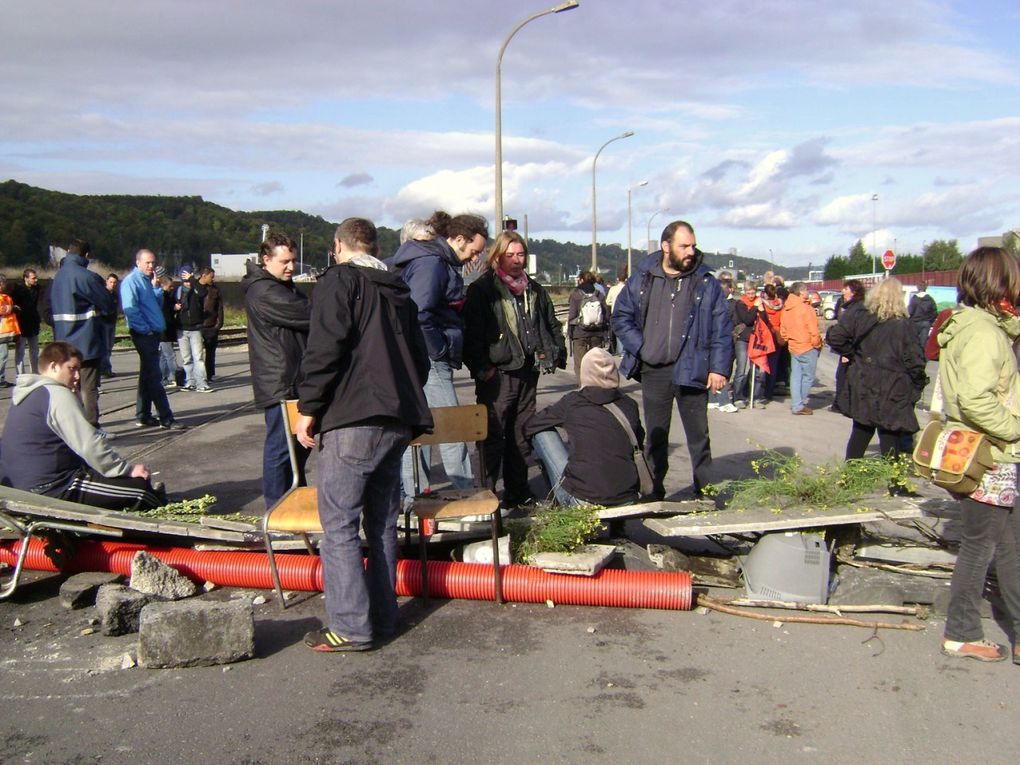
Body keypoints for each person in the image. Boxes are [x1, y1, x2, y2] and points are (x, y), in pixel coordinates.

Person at [294, 217, 432, 652]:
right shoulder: (398, 290)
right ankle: (383, 617)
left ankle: (351, 627)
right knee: (382, 522)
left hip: (353, 419)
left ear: (338, 246)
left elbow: (324, 347)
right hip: (397, 421)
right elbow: (420, 360)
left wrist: (308, 407)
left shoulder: (340, 281)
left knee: (338, 525)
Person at [936, 246, 1020, 663]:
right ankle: (962, 632)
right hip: (991, 455)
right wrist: (1015, 429)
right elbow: (975, 398)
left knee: (1005, 545)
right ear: (1000, 283)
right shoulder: (985, 334)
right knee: (981, 547)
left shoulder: (970, 325)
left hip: (980, 452)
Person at [612, 220, 732, 499]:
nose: (691, 251)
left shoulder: (705, 281)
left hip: (693, 368)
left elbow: (721, 327)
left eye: (693, 245)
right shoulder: (643, 277)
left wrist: (718, 368)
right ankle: (654, 492)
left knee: (699, 438)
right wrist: (642, 348)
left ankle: (706, 492)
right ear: (666, 247)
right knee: (655, 437)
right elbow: (621, 316)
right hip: (655, 371)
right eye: (684, 246)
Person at [462, 231, 567, 508]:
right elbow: (471, 334)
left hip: (527, 372)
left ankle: (517, 494)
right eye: (510, 255)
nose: (516, 260)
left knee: (521, 437)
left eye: (520, 254)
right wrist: (483, 369)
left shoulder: (534, 290)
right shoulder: (483, 290)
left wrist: (557, 352)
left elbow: (551, 324)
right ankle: (485, 496)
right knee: (492, 437)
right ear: (497, 256)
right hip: (497, 375)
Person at [0, 341, 165, 510]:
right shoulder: (56, 394)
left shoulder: (28, 393)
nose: (78, 376)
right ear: (54, 366)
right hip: (52, 487)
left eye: (79, 369)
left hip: (19, 485)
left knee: (113, 481)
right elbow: (88, 443)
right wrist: (126, 470)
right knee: (140, 491)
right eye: (72, 369)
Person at [390, 210, 487, 496]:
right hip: (431, 358)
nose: (475, 259)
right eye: (473, 251)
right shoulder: (434, 264)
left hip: (417, 355)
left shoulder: (428, 259)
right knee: (451, 425)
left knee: (417, 426)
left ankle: (416, 493)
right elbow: (420, 312)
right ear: (458, 239)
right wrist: (439, 348)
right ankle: (465, 493)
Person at [242, 231, 311, 508]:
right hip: (281, 381)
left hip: (291, 378)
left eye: (293, 260)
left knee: (296, 450)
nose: (291, 267)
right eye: (284, 261)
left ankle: (295, 500)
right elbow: (310, 313)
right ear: (266, 259)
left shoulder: (282, 286)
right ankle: (277, 509)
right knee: (281, 451)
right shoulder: (264, 291)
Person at [524, 348, 644, 507]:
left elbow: (531, 425)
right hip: (628, 498)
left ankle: (558, 502)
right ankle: (618, 526)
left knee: (542, 433)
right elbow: (638, 444)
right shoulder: (629, 404)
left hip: (583, 500)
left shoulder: (573, 402)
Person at [826, 277, 927, 461]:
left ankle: (849, 478)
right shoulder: (903, 324)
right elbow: (915, 360)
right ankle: (895, 484)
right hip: (893, 384)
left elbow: (835, 337)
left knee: (861, 430)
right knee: (890, 434)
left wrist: (855, 355)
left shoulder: (861, 316)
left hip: (864, 379)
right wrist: (918, 382)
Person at [50, 239, 114, 428]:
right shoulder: (86, 277)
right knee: (89, 387)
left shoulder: (58, 277)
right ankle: (92, 429)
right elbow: (108, 304)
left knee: (69, 387)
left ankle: (71, 427)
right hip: (87, 341)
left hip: (63, 342)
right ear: (86, 255)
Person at [120, 249, 184, 430]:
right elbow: (131, 309)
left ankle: (143, 414)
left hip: (152, 333)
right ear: (138, 262)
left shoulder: (147, 282)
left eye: (153, 263)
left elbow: (153, 305)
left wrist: (156, 288)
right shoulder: (131, 282)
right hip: (144, 334)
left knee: (147, 375)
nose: (151, 266)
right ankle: (166, 417)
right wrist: (145, 330)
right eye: (148, 263)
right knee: (154, 376)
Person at [779, 281, 822, 415]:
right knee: (808, 376)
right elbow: (813, 330)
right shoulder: (805, 308)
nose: (808, 292)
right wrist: (817, 344)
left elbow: (783, 329)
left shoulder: (786, 308)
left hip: (793, 346)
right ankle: (799, 404)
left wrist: (788, 339)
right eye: (806, 290)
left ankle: (796, 403)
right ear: (801, 292)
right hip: (807, 346)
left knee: (796, 376)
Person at [828, 279, 866, 414]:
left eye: (846, 289)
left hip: (850, 347)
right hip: (845, 346)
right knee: (841, 375)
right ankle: (841, 403)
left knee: (845, 376)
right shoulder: (843, 304)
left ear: (854, 292)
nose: (842, 291)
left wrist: (847, 352)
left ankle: (841, 404)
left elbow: (853, 331)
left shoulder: (857, 308)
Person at [174, 263, 211, 393]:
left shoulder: (196, 288)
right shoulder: (177, 291)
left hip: (195, 328)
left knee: (198, 357)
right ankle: (189, 381)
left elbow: (202, 292)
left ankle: (201, 382)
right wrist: (174, 308)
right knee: (186, 358)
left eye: (188, 279)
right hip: (181, 329)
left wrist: (192, 280)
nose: (187, 283)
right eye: (185, 280)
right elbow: (168, 305)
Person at [731, 281, 768, 409]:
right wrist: (755, 307)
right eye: (748, 293)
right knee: (741, 369)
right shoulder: (740, 303)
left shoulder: (759, 302)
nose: (751, 296)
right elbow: (747, 319)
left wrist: (762, 311)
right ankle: (738, 396)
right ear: (744, 292)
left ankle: (755, 397)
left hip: (757, 339)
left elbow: (765, 322)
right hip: (743, 339)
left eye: (753, 293)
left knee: (757, 370)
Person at [567, 271, 608, 378]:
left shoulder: (575, 294)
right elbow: (606, 315)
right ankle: (596, 386)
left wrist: (570, 333)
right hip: (597, 334)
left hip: (580, 334)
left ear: (581, 279)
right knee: (596, 364)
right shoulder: (599, 294)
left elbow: (572, 315)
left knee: (580, 365)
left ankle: (584, 388)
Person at [707, 275, 738, 414]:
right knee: (721, 370)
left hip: (724, 339)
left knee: (721, 370)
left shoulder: (732, 304)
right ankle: (722, 401)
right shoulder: (720, 305)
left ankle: (713, 399)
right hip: (720, 340)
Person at [13, 268, 42, 377]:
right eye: (33, 278)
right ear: (26, 278)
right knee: (20, 351)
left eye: (36, 277)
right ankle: (20, 375)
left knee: (34, 350)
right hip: (21, 323)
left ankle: (35, 373)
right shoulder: (18, 290)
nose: (36, 280)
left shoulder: (37, 288)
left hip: (33, 323)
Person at [199, 267, 224, 381]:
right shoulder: (197, 289)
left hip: (211, 325)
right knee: (197, 354)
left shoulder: (215, 290)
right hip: (198, 326)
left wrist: (219, 324)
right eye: (211, 277)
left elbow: (219, 308)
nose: (213, 279)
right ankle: (199, 376)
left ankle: (210, 374)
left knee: (211, 353)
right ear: (204, 275)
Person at [0, 275, 22, 387]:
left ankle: (1, 377)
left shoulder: (5, 297)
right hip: (2, 331)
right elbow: (2, 310)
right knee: (2, 355)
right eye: (4, 283)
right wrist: (12, 309)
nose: (5, 285)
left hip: (6, 330)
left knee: (3, 355)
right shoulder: (2, 298)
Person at [908, 281, 938, 351]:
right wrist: (930, 321)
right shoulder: (930, 299)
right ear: (926, 288)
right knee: (923, 342)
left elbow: (910, 311)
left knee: (914, 341)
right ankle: (921, 357)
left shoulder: (914, 299)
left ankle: (914, 357)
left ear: (917, 288)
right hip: (926, 323)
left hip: (915, 322)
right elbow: (934, 312)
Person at [100, 273, 120, 377]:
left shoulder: (115, 294)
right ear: (106, 281)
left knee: (110, 346)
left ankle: (106, 368)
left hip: (112, 323)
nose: (113, 284)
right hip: (104, 323)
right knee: (105, 347)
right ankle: (105, 369)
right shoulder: (102, 294)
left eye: (115, 282)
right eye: (111, 282)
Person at [605, 267, 627, 355]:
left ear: (617, 279)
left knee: (618, 332)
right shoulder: (629, 288)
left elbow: (607, 301)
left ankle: (621, 351)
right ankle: (625, 351)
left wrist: (612, 303)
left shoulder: (613, 289)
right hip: (627, 313)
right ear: (626, 279)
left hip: (616, 313)